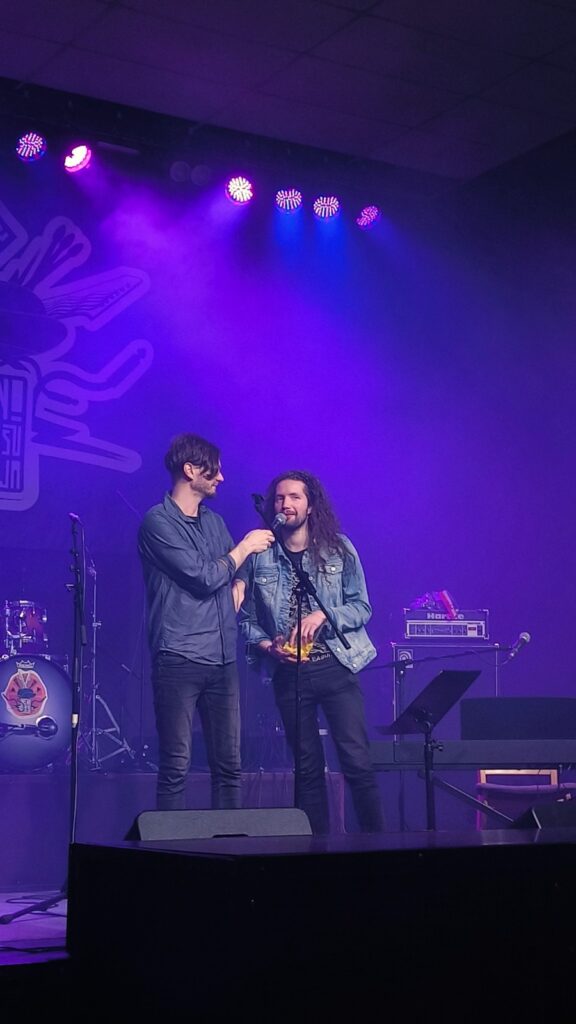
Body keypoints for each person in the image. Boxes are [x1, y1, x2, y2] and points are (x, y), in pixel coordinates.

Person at [240, 470, 383, 835]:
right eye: (279, 498)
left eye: (294, 497)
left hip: (336, 667)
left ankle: (376, 844)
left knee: (356, 762)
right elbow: (245, 620)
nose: (285, 504)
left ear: (311, 505)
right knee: (306, 770)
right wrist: (268, 646)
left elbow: (362, 607)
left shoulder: (338, 548)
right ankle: (315, 849)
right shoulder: (260, 555)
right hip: (290, 674)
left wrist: (324, 614)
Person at [138, 433, 274, 811]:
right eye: (214, 470)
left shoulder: (214, 522)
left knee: (229, 766)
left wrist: (241, 583)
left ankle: (227, 843)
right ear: (190, 470)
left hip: (222, 658)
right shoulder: (157, 522)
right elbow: (202, 576)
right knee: (176, 765)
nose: (221, 478)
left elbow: (233, 567)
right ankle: (171, 846)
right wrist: (245, 547)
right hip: (179, 656)